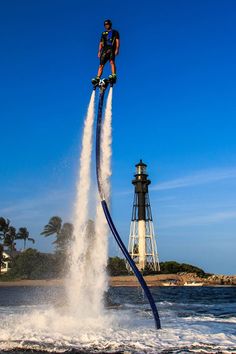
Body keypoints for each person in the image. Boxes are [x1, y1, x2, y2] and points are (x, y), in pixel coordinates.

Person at [92, 19, 120, 85]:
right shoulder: (103, 33)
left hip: (111, 49)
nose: (106, 26)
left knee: (112, 62)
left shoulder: (115, 32)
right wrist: (99, 51)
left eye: (107, 24)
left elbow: (117, 41)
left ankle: (113, 75)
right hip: (104, 50)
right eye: (105, 25)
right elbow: (101, 42)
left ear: (110, 24)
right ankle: (97, 78)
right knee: (101, 65)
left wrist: (117, 49)